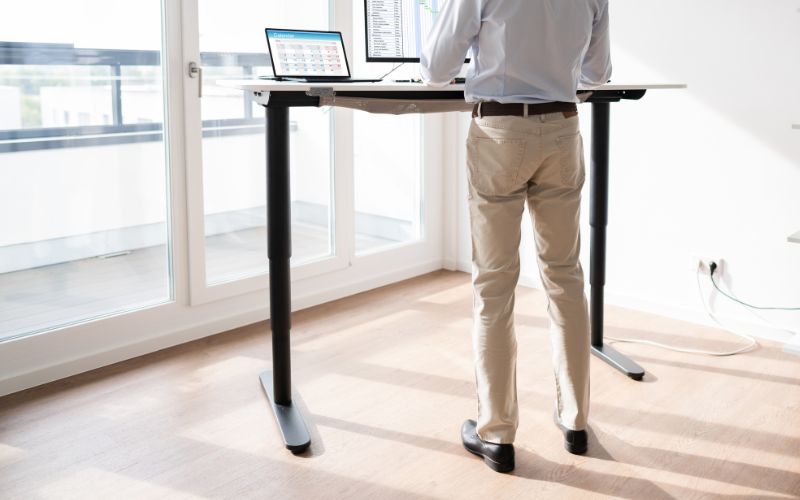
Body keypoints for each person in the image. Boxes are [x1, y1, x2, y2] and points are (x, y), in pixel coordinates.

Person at [420, 0, 612, 473]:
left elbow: (436, 70)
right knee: (566, 277)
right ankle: (575, 422)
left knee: (494, 285)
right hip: (564, 129)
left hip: (500, 131)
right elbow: (598, 73)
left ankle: (497, 434)